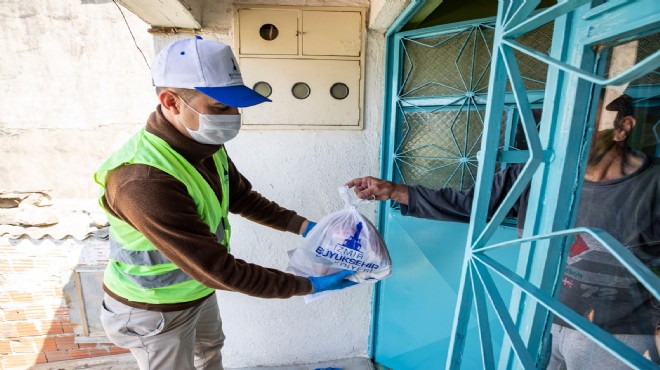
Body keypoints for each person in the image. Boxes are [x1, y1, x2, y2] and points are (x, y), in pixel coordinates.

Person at [94, 36, 355, 370]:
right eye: (219, 108)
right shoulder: (143, 182)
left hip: (195, 290)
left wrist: (308, 228)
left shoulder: (202, 143)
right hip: (153, 310)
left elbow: (242, 197)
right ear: (171, 102)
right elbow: (220, 270)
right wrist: (309, 285)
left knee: (210, 354)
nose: (233, 116)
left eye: (235, 106)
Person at [346, 93, 659, 369]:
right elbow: (469, 204)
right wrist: (393, 190)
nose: (563, 134)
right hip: (542, 320)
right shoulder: (534, 174)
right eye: (561, 121)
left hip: (616, 335)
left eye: (582, 122)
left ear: (622, 128)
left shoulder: (653, 186)